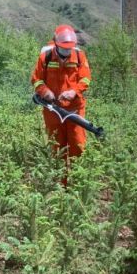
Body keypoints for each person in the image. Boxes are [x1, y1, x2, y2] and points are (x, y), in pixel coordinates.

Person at [31, 24, 91, 185]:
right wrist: (45, 92)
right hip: (53, 110)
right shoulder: (46, 56)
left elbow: (85, 79)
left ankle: (78, 184)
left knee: (77, 146)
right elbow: (36, 80)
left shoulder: (79, 56)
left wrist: (74, 91)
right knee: (57, 147)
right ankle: (61, 186)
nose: (67, 51)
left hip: (74, 110)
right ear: (56, 44)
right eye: (63, 48)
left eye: (69, 48)